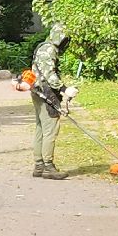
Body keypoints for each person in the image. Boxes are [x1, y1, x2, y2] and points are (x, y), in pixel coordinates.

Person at [30, 23, 77, 180]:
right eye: (65, 39)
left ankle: (39, 165)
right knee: (50, 129)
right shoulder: (49, 49)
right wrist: (64, 89)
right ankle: (48, 167)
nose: (66, 43)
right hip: (46, 92)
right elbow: (49, 74)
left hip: (37, 90)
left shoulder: (43, 47)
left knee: (40, 128)